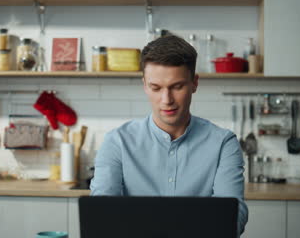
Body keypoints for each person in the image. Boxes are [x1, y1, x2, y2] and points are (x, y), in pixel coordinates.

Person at [90, 35, 248, 235]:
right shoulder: (117, 142)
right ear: (145, 85)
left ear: (194, 83)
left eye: (177, 86)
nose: (166, 100)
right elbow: (102, 216)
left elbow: (234, 218)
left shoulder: (224, 144)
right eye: (156, 88)